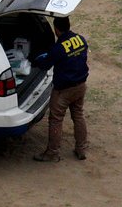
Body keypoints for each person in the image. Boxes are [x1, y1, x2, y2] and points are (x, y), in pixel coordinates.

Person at [32, 16, 90, 162]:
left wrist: (36, 59)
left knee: (56, 120)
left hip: (63, 90)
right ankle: (81, 148)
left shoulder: (58, 48)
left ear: (56, 29)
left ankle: (52, 153)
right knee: (78, 115)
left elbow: (45, 64)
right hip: (81, 86)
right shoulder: (80, 39)